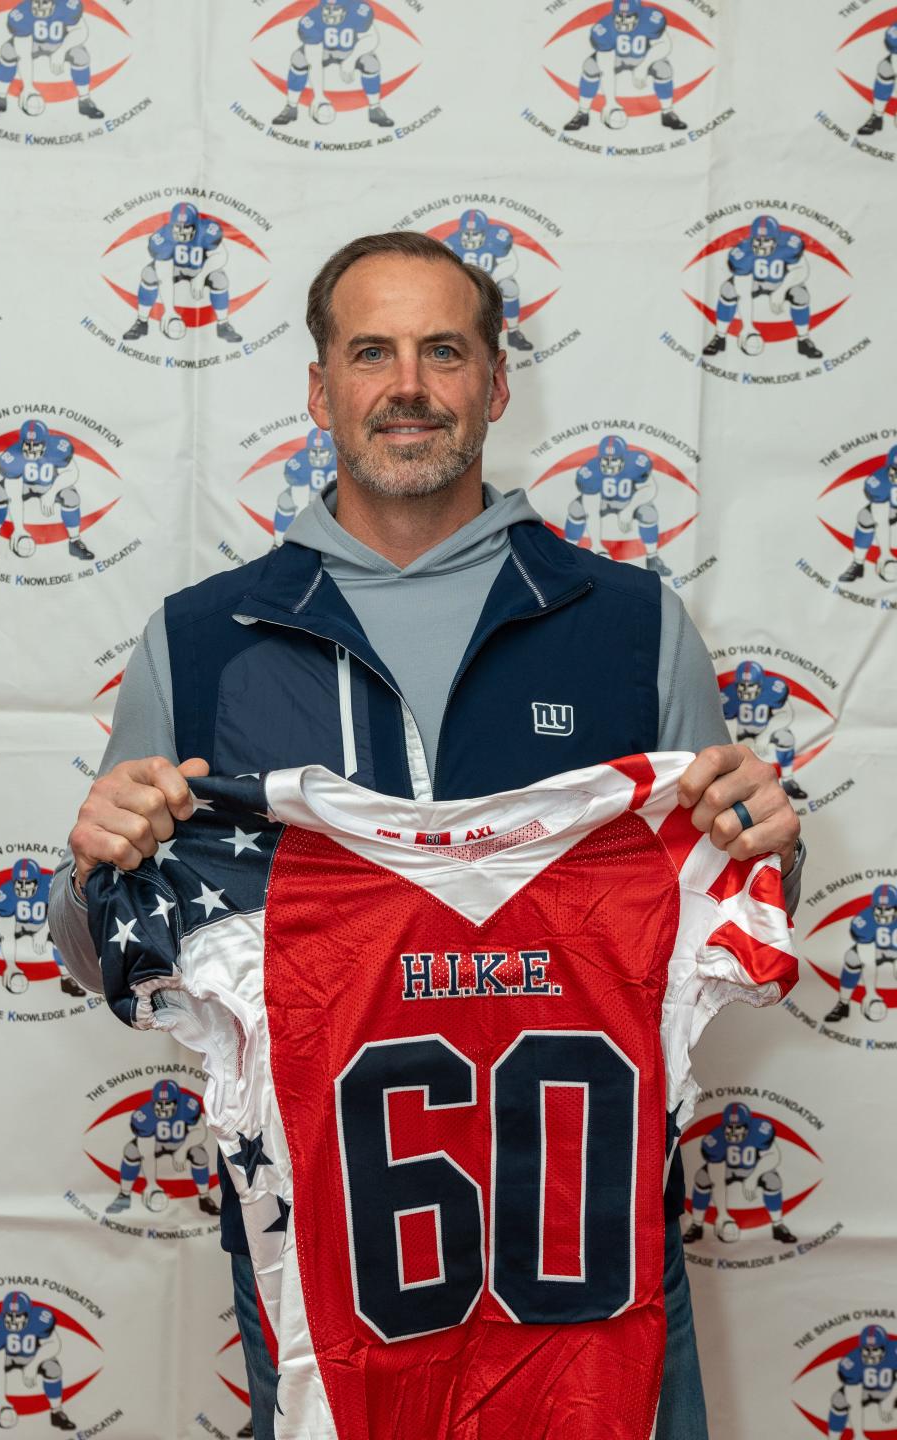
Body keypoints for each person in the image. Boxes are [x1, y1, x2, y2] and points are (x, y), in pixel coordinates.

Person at [50, 230, 803, 1440]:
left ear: (496, 384)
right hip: (340, 1297)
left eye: (443, 351)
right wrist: (94, 869)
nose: (408, 384)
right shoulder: (201, 641)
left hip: (597, 1288)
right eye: (371, 352)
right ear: (320, 387)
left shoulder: (629, 625)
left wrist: (766, 841)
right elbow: (106, 955)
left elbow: (724, 886)